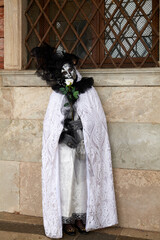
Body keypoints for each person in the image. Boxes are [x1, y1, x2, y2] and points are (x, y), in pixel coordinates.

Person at [31, 43, 118, 239]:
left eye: (71, 69)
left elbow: (96, 119)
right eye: (64, 70)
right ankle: (66, 218)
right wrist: (62, 133)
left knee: (82, 180)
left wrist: (84, 129)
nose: (68, 73)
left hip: (83, 145)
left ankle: (81, 216)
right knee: (66, 180)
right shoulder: (57, 95)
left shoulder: (88, 91)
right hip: (64, 147)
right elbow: (51, 125)